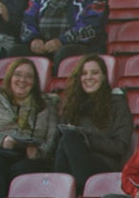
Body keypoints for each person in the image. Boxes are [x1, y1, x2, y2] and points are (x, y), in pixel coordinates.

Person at [0, 57, 57, 182]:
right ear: (10, 77)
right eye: (18, 75)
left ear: (34, 81)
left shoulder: (47, 104)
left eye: (29, 76)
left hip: (30, 156)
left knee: (24, 170)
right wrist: (2, 141)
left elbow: (52, 137)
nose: (22, 80)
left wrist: (39, 152)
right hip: (0, 151)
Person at [50, 53, 134, 181]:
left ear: (104, 76)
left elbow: (120, 147)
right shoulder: (72, 104)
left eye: (94, 73)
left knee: (72, 138)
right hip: (71, 162)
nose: (88, 77)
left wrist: (86, 138)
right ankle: (65, 190)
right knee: (67, 139)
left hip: (105, 165)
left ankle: (74, 190)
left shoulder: (117, 103)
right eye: (84, 73)